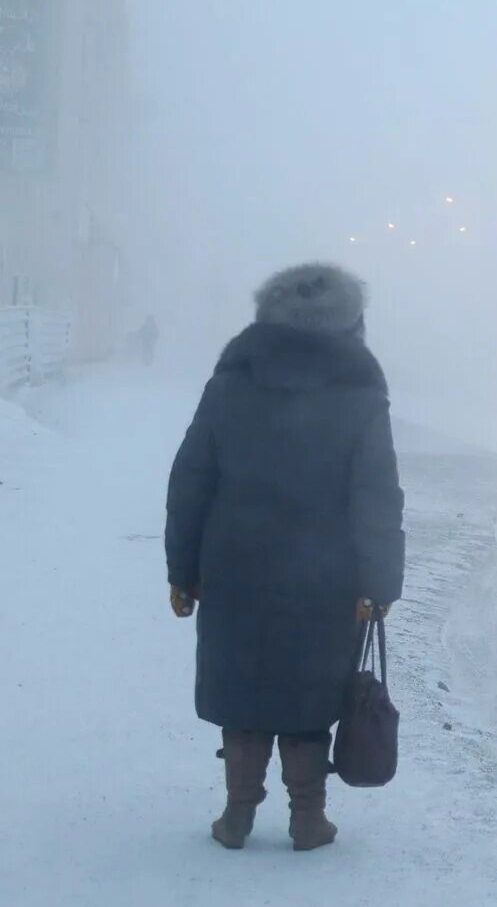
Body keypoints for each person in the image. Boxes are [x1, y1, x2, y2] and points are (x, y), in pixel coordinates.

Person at [164, 263, 405, 851]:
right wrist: (379, 582)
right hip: (326, 574)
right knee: (311, 692)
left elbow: (192, 478)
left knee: (243, 689)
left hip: (234, 566)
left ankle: (237, 815)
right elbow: (376, 495)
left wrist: (183, 570)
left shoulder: (230, 384)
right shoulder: (360, 398)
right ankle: (307, 819)